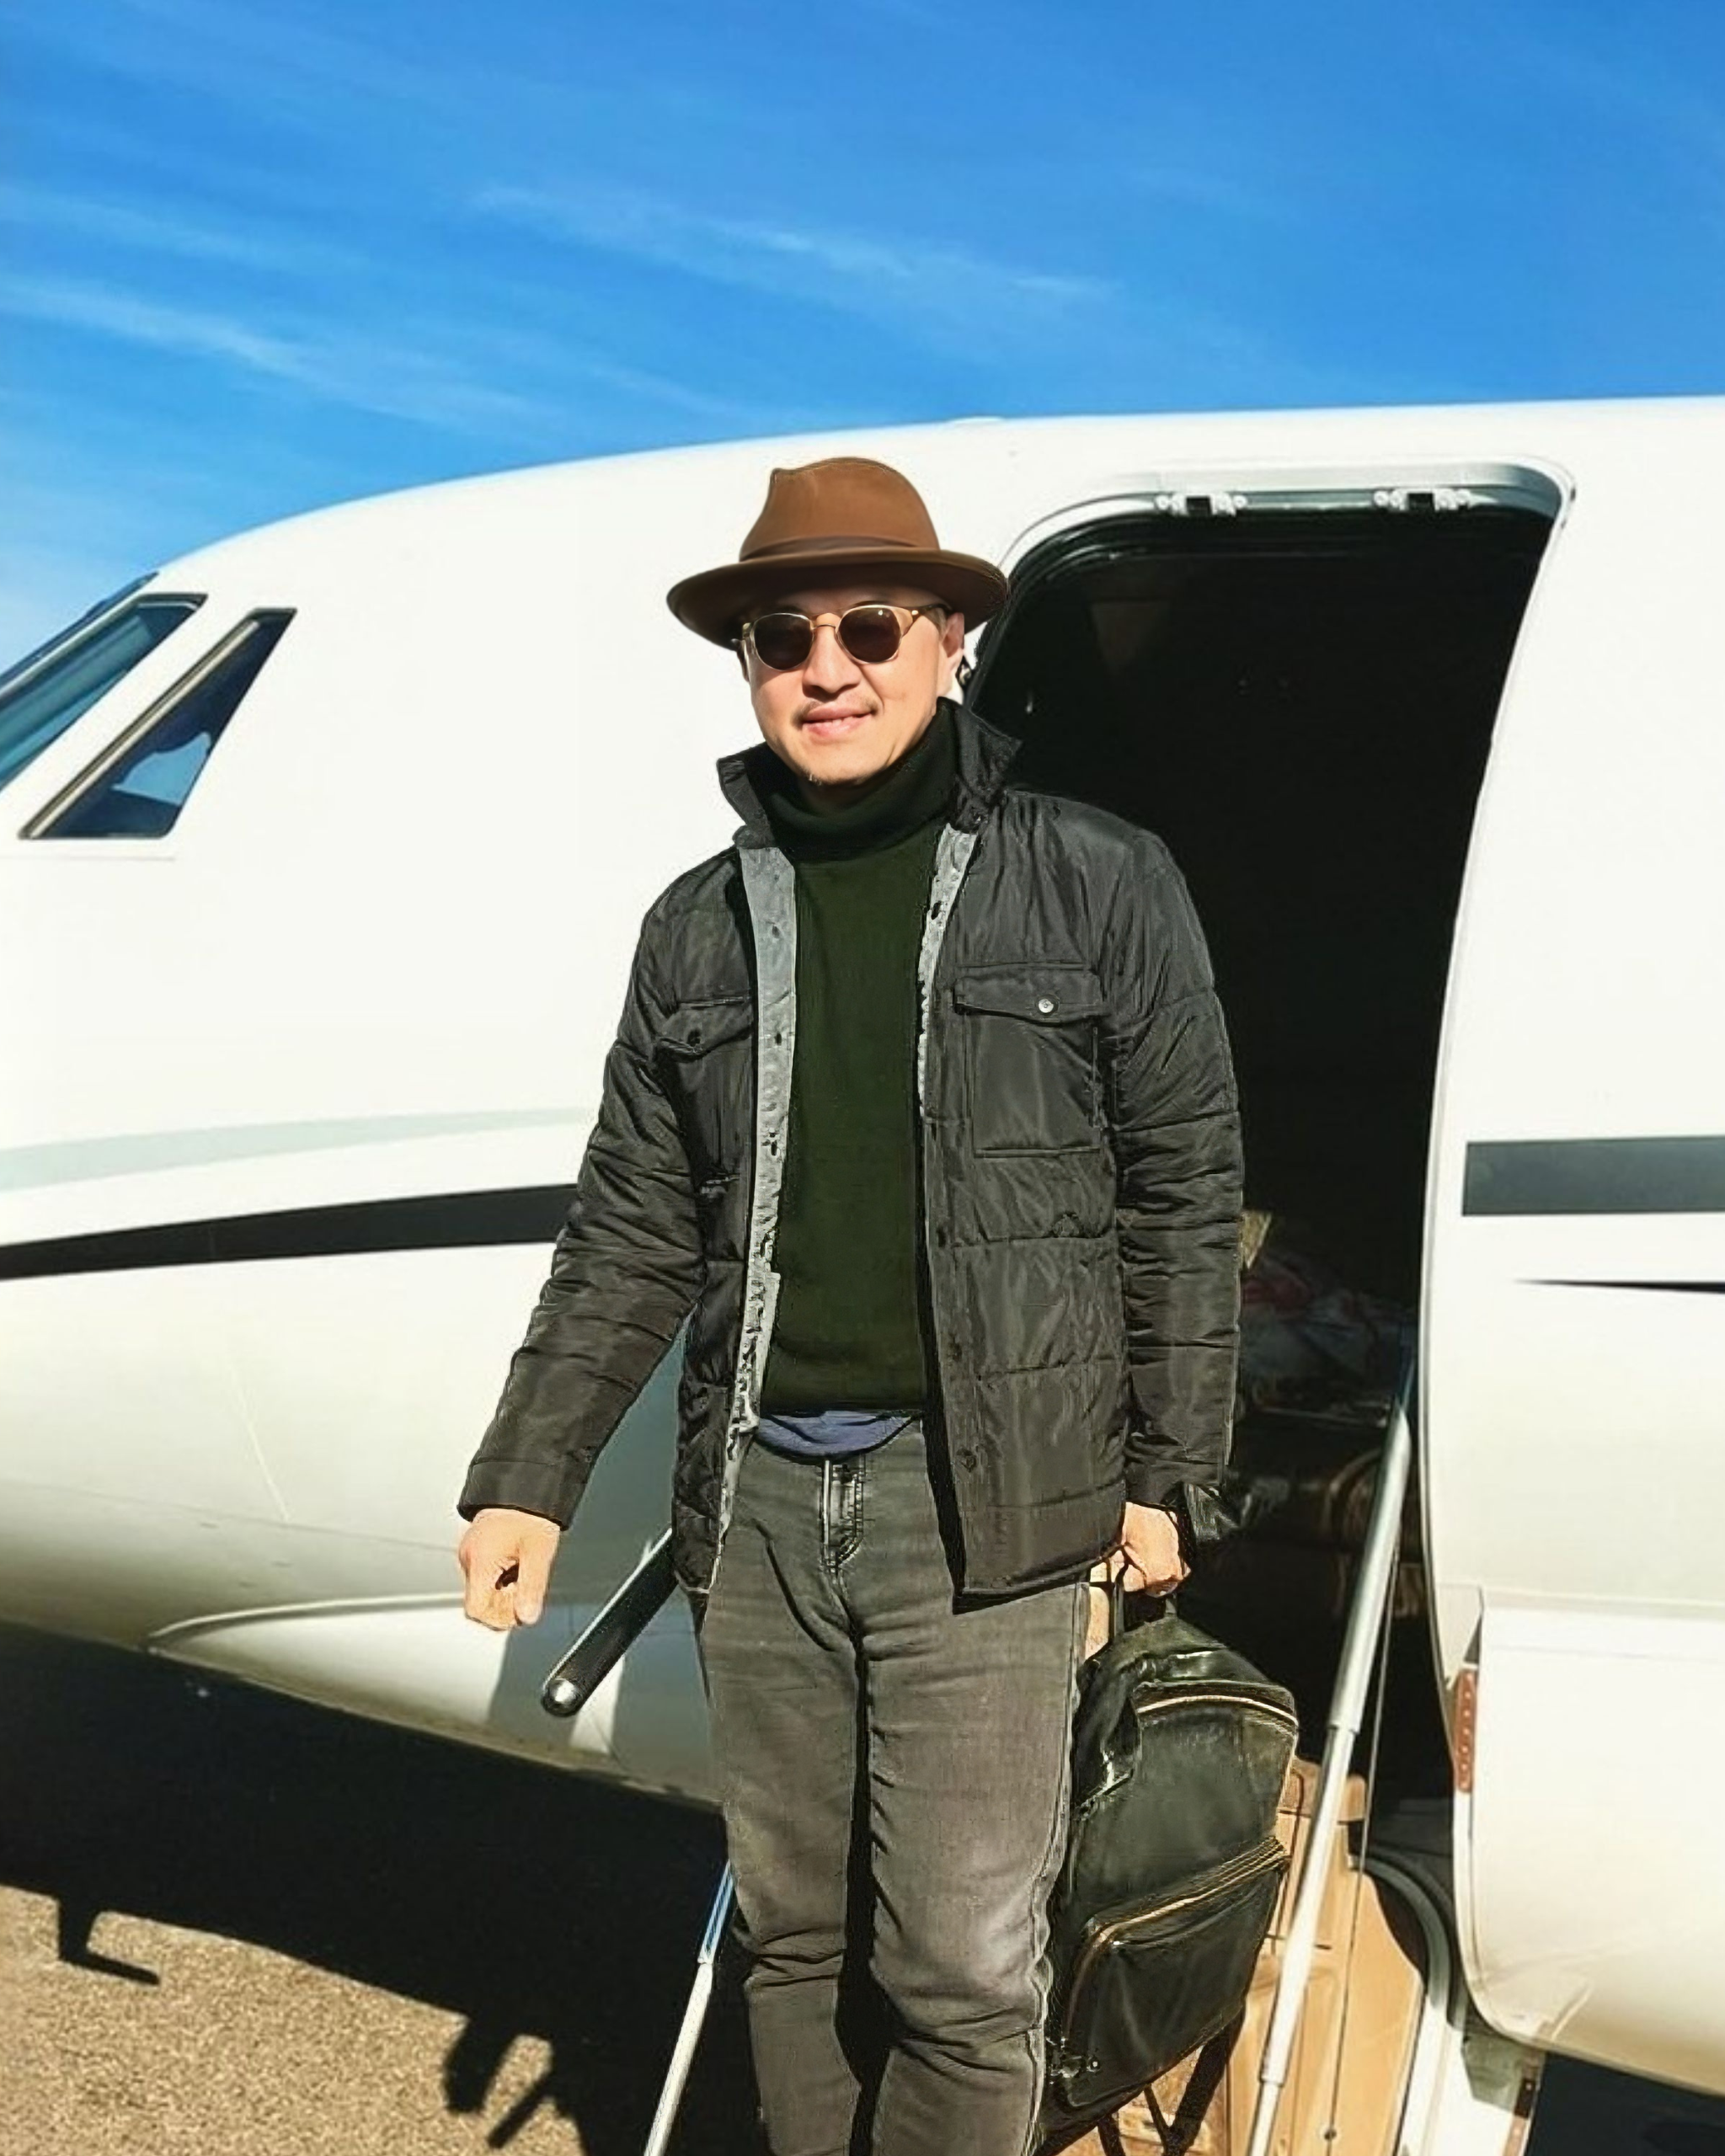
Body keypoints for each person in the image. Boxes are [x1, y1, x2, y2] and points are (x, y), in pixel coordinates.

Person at [457, 456, 1242, 2156]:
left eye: (868, 624)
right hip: (753, 1504)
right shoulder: (695, 928)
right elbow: (630, 1227)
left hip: (982, 1502)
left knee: (960, 1963)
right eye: (780, 633)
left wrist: (1166, 1466)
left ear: (949, 636)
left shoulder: (1099, 879)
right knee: (796, 1939)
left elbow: (1186, 1191)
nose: (826, 665)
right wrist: (525, 1469)